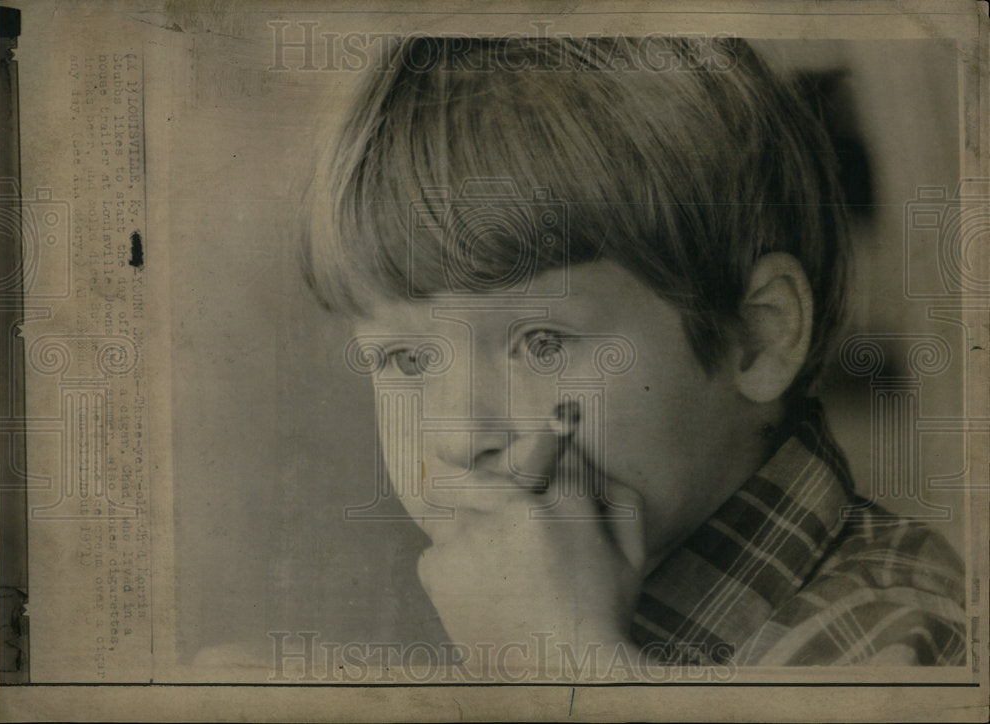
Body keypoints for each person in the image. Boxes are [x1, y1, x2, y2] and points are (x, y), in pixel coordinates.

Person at [302, 36, 966, 672]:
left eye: (542, 344)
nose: (462, 435)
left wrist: (558, 668)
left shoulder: (894, 645)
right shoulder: (518, 617)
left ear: (758, 337)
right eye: (407, 360)